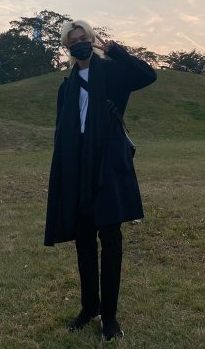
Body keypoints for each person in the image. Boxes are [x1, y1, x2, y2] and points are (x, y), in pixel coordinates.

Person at [44, 19, 157, 342]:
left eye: (84, 38)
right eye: (73, 41)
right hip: (77, 166)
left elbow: (147, 76)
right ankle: (88, 307)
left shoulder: (112, 73)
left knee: (110, 240)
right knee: (83, 241)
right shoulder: (66, 87)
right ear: (67, 48)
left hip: (107, 164)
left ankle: (109, 316)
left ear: (92, 39)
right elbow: (61, 132)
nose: (79, 44)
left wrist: (117, 52)